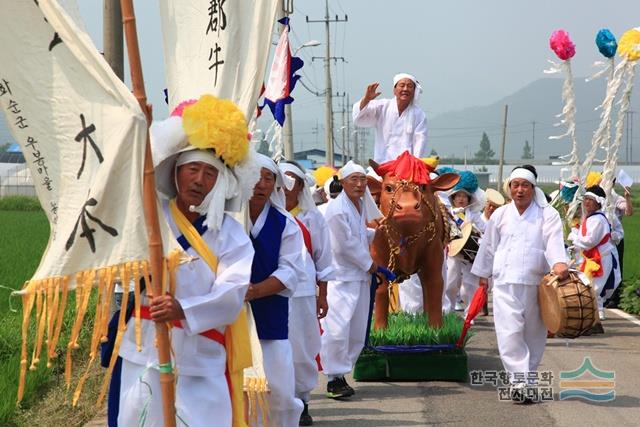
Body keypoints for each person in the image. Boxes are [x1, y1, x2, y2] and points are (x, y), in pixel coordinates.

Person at [115, 95, 255, 426]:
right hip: (146, 347)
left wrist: (184, 309)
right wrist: (142, 131)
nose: (199, 180)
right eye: (192, 169)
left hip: (202, 355)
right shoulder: (150, 218)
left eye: (209, 173)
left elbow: (233, 292)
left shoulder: (231, 235)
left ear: (219, 182)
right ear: (177, 174)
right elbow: (126, 186)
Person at [471, 165, 569, 404]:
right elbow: (489, 247)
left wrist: (558, 262)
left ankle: (529, 380)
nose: (520, 190)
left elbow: (554, 240)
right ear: (509, 188)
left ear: (533, 188)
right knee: (509, 331)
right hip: (505, 280)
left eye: (525, 185)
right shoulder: (500, 215)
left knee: (534, 333)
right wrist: (483, 274)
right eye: (516, 185)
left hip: (538, 282)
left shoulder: (548, 214)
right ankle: (519, 382)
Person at [246, 153, 306, 427]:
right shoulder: (226, 219)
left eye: (267, 178)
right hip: (228, 319)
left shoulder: (285, 223)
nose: (260, 184)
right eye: (255, 176)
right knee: (237, 389)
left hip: (270, 318)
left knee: (278, 391)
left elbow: (290, 271)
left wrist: (254, 291)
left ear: (275, 185)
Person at [320, 160, 382, 399]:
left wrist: (379, 232)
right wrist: (372, 265)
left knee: (356, 330)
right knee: (337, 329)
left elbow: (357, 233)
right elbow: (344, 245)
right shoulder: (337, 210)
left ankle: (342, 374)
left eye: (362, 179)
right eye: (353, 180)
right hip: (341, 277)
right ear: (343, 183)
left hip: (359, 278)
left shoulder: (359, 205)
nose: (359, 184)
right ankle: (334, 379)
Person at [279, 160, 335, 426]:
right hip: (273, 293)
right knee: (277, 348)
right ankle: (280, 401)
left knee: (303, 348)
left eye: (293, 179)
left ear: (301, 185)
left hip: (302, 293)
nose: (288, 185)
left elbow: (323, 258)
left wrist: (322, 295)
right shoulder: (269, 212)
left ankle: (302, 401)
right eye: (284, 179)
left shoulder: (312, 217)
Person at [568, 185, 621, 330]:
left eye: (590, 200)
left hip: (599, 260)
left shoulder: (598, 219)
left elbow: (589, 242)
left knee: (592, 290)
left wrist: (574, 236)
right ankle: (595, 323)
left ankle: (593, 323)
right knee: (592, 290)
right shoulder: (592, 218)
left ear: (598, 202)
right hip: (595, 259)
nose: (586, 202)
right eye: (585, 199)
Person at [352, 73, 428, 163]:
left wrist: (416, 163)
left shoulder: (419, 114)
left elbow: (420, 141)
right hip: (382, 164)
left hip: (407, 166)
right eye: (402, 85)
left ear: (414, 91)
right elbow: (358, 119)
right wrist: (366, 99)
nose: (405, 89)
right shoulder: (382, 106)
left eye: (410, 86)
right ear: (394, 90)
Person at [443, 170, 486, 315]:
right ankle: (447, 312)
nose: (461, 199)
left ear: (469, 199)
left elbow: (484, 230)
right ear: (453, 198)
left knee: (470, 285)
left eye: (464, 196)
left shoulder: (474, 214)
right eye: (458, 196)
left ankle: (470, 314)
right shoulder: (447, 214)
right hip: (453, 253)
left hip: (469, 255)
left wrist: (475, 233)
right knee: (449, 283)